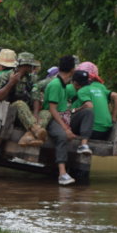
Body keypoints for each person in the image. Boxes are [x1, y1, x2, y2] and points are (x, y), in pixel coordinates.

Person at [45, 55, 94, 185]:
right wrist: (66, 129)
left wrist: (79, 109)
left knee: (88, 112)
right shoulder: (56, 84)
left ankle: (84, 144)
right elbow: (52, 110)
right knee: (61, 135)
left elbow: (65, 108)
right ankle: (62, 174)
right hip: (52, 118)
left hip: (64, 116)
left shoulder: (64, 85)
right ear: (72, 70)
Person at [0, 52, 48, 146]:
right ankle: (35, 129)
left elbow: (35, 96)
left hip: (27, 115)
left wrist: (35, 113)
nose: (32, 69)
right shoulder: (7, 76)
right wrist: (11, 83)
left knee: (46, 113)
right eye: (30, 66)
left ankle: (30, 135)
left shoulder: (31, 79)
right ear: (24, 66)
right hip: (9, 113)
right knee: (19, 103)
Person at [71, 69, 117, 140]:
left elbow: (89, 105)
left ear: (75, 83)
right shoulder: (99, 88)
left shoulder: (81, 91)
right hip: (106, 131)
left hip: (93, 131)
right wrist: (114, 117)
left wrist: (76, 110)